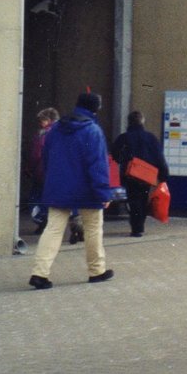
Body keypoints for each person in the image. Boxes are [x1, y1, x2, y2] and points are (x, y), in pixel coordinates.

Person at [28, 91, 115, 290]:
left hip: (59, 187)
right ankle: (96, 271)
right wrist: (104, 193)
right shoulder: (93, 131)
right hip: (87, 190)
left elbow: (47, 158)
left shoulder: (56, 129)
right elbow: (98, 166)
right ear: (95, 109)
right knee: (93, 228)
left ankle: (39, 273)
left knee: (53, 229)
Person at [112, 110, 169, 237]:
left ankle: (137, 228)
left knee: (134, 199)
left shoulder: (124, 137)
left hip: (130, 174)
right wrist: (163, 174)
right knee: (143, 199)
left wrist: (122, 160)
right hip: (147, 175)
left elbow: (115, 153)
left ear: (129, 122)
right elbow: (159, 157)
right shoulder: (151, 138)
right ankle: (139, 225)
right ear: (142, 121)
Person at [25, 107, 59, 235]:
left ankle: (42, 221)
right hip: (56, 173)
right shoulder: (62, 132)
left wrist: (29, 168)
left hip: (42, 171)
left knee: (36, 198)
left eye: (42, 120)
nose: (40, 123)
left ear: (48, 120)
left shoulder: (43, 134)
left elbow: (36, 154)